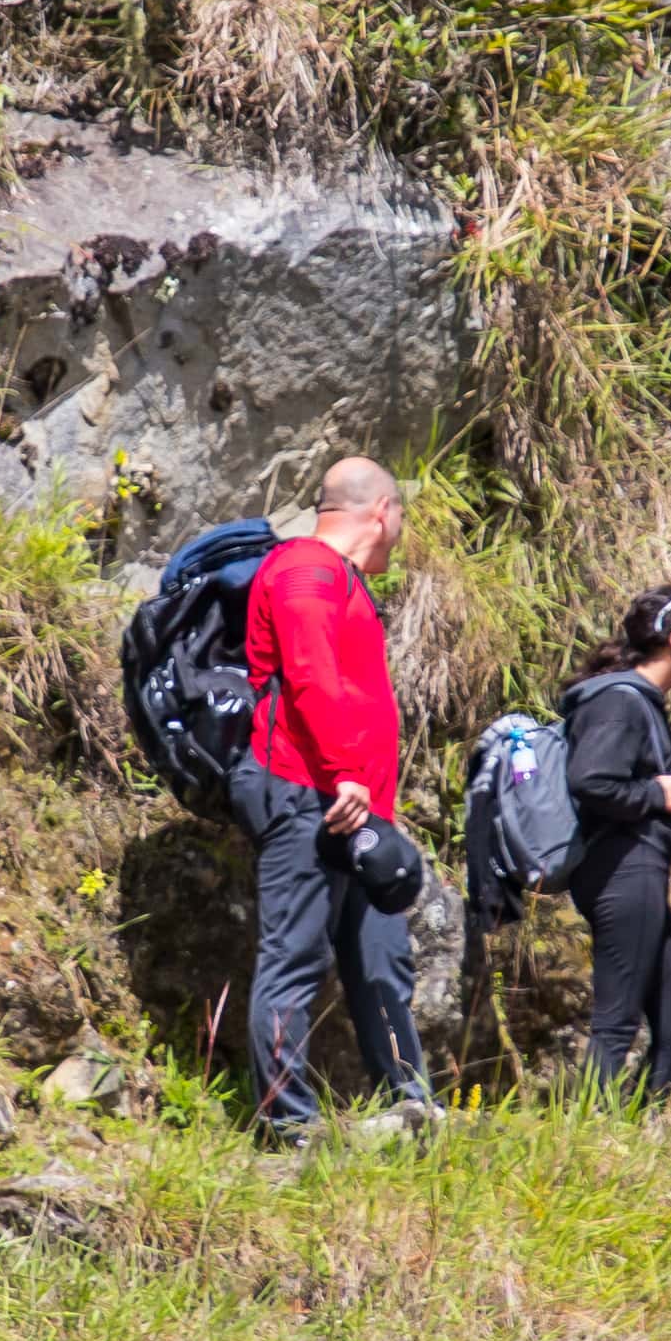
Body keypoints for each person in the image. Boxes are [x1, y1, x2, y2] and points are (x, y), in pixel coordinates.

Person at [241, 454, 427, 1147]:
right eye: (401, 518)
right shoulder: (306, 569)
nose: (400, 533)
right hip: (307, 793)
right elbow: (312, 672)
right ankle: (288, 1127)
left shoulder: (335, 578)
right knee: (294, 957)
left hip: (353, 806)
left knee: (381, 960)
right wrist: (348, 770)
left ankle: (412, 1105)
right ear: (382, 512)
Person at [563, 584, 671, 1097]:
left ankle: (632, 1132)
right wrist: (655, 794)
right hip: (620, 871)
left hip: (639, 869)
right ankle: (584, 1148)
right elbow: (591, 780)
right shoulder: (620, 702)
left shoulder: (639, 701)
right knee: (615, 1024)